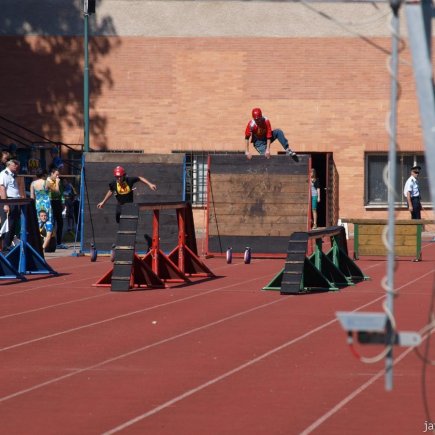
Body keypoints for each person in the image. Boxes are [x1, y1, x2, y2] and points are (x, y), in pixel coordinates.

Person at [0, 159, 21, 252]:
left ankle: (8, 245)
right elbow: (2, 188)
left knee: (14, 225)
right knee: (8, 225)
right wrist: (5, 204)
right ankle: (5, 246)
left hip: (15, 201)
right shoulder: (4, 174)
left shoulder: (13, 175)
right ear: (10, 165)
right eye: (15, 164)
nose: (17, 166)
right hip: (9, 201)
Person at [46, 166, 67, 249]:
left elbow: (61, 193)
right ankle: (50, 241)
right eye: (56, 175)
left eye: (58, 175)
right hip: (51, 202)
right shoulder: (48, 181)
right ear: (52, 173)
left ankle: (59, 242)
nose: (57, 177)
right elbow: (56, 191)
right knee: (52, 222)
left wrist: (63, 202)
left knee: (60, 222)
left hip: (58, 202)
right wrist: (57, 183)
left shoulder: (59, 181)